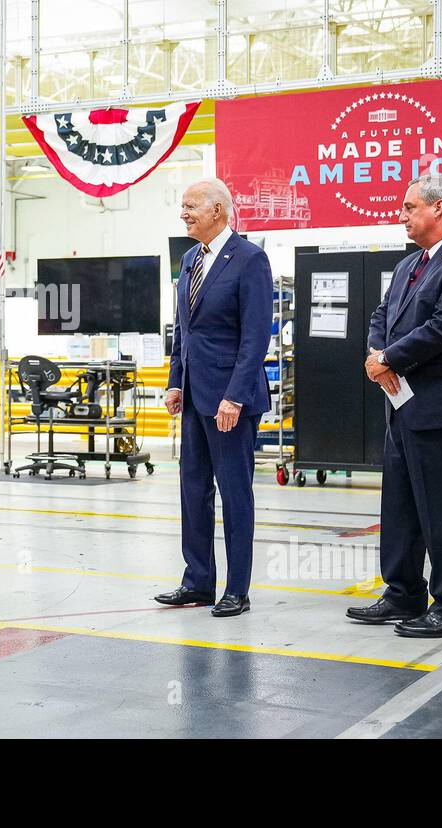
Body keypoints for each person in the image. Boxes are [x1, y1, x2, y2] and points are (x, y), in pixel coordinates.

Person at [348, 173, 442, 638]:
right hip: (405, 407)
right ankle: (402, 593)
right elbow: (381, 315)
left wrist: (389, 357)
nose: (402, 215)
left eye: (410, 207)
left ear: (439, 208)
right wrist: (377, 355)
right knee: (400, 507)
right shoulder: (412, 264)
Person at [156, 178, 273, 617]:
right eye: (182, 207)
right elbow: (183, 332)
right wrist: (174, 382)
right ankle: (198, 581)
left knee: (234, 492)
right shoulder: (189, 260)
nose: (183, 214)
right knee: (193, 490)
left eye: (191, 207)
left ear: (219, 211)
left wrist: (235, 397)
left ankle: (236, 589)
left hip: (230, 402)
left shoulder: (250, 260)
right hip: (193, 400)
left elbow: (255, 336)